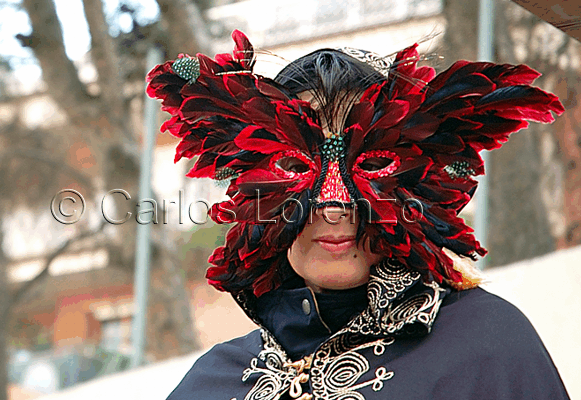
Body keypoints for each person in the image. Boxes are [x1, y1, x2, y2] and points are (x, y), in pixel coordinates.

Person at [146, 30, 569, 400]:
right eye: (294, 168)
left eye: (369, 165)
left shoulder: (486, 345)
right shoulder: (216, 382)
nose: (333, 204)